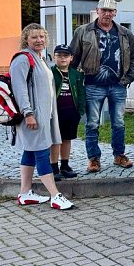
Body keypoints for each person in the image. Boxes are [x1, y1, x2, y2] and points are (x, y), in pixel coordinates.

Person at [69, 0, 134, 173]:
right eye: (104, 10)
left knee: (119, 122)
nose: (107, 14)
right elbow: (73, 58)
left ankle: (119, 155)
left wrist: (127, 79)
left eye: (111, 10)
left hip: (118, 85)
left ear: (115, 12)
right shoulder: (83, 31)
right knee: (92, 123)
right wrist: (76, 81)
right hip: (93, 84)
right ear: (97, 10)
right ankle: (93, 159)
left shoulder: (125, 33)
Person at [12, 24, 74, 210]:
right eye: (34, 37)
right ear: (26, 39)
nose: (39, 40)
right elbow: (20, 89)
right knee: (41, 153)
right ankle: (55, 195)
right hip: (33, 117)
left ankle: (24, 193)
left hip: (44, 116)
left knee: (30, 151)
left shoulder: (40, 58)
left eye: (42, 37)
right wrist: (28, 113)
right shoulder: (22, 59)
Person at [49, 44, 84, 180]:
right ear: (54, 57)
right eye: (59, 55)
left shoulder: (76, 74)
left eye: (66, 56)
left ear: (71, 58)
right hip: (56, 112)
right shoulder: (50, 73)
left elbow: (81, 93)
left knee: (67, 138)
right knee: (55, 140)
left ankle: (65, 165)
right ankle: (53, 167)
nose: (63, 58)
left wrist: (80, 111)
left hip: (71, 111)